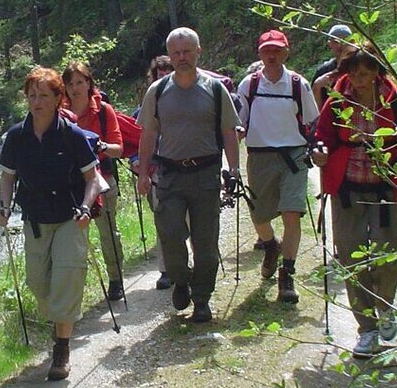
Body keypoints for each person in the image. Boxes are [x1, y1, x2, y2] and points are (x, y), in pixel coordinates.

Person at [311, 44, 397, 359]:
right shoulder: (335, 102)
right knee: (350, 258)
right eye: (354, 72)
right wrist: (319, 152)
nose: (359, 78)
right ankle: (367, 330)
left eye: (366, 72)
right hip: (347, 190)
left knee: (388, 258)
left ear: (376, 71)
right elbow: (321, 137)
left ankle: (384, 307)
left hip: (386, 190)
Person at [0, 66, 103, 381]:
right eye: (32, 96)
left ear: (59, 98)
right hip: (36, 219)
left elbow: (92, 179)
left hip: (71, 216)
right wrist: (4, 206)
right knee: (38, 283)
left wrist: (85, 207)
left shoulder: (71, 135)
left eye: (44, 95)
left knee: (67, 279)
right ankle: (59, 324)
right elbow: (7, 177)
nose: (36, 102)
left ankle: (62, 349)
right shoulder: (16, 137)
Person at [136, 27, 241, 323]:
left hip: (206, 173)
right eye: (176, 53)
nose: (182, 57)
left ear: (198, 51)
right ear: (169, 55)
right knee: (169, 234)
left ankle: (202, 297)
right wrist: (144, 173)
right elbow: (148, 134)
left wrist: (233, 170)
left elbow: (228, 132)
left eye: (187, 51)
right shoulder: (158, 92)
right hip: (170, 174)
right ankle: (181, 280)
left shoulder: (216, 89)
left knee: (205, 242)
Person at [237, 30, 319, 303]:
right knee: (259, 217)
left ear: (286, 52)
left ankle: (287, 274)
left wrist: (318, 146)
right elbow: (240, 122)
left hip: (293, 158)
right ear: (259, 54)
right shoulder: (248, 85)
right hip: (259, 157)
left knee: (291, 215)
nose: (271, 56)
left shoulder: (298, 84)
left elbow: (312, 122)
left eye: (277, 50)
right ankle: (271, 245)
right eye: (266, 51)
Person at [62, 62, 127, 301]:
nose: (76, 88)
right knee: (76, 239)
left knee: (108, 233)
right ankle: (76, 290)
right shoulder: (60, 114)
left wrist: (101, 146)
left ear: (89, 83)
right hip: (73, 185)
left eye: (80, 82)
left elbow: (119, 148)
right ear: (65, 88)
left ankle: (116, 279)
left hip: (104, 180)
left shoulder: (103, 111)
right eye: (70, 84)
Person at [130, 55, 176, 290]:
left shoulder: (188, 100)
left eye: (169, 71)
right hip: (159, 171)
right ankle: (166, 269)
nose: (165, 77)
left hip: (187, 168)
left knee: (189, 219)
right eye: (161, 73)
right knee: (163, 219)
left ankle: (190, 264)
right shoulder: (146, 107)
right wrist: (139, 163)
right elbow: (135, 139)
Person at [311, 24, 355, 109]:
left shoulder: (360, 67)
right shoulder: (323, 70)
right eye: (335, 41)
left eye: (344, 40)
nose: (340, 45)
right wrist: (317, 85)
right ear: (329, 44)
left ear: (352, 42)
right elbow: (314, 108)